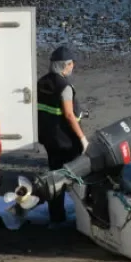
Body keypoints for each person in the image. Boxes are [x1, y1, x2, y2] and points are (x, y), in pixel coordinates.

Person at [36, 46, 89, 224]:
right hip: (67, 141)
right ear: (64, 65)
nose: (72, 67)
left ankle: (56, 218)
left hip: (50, 139)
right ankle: (83, 217)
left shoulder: (42, 82)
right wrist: (82, 139)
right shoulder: (64, 86)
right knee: (77, 177)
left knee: (54, 177)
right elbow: (68, 114)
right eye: (71, 64)